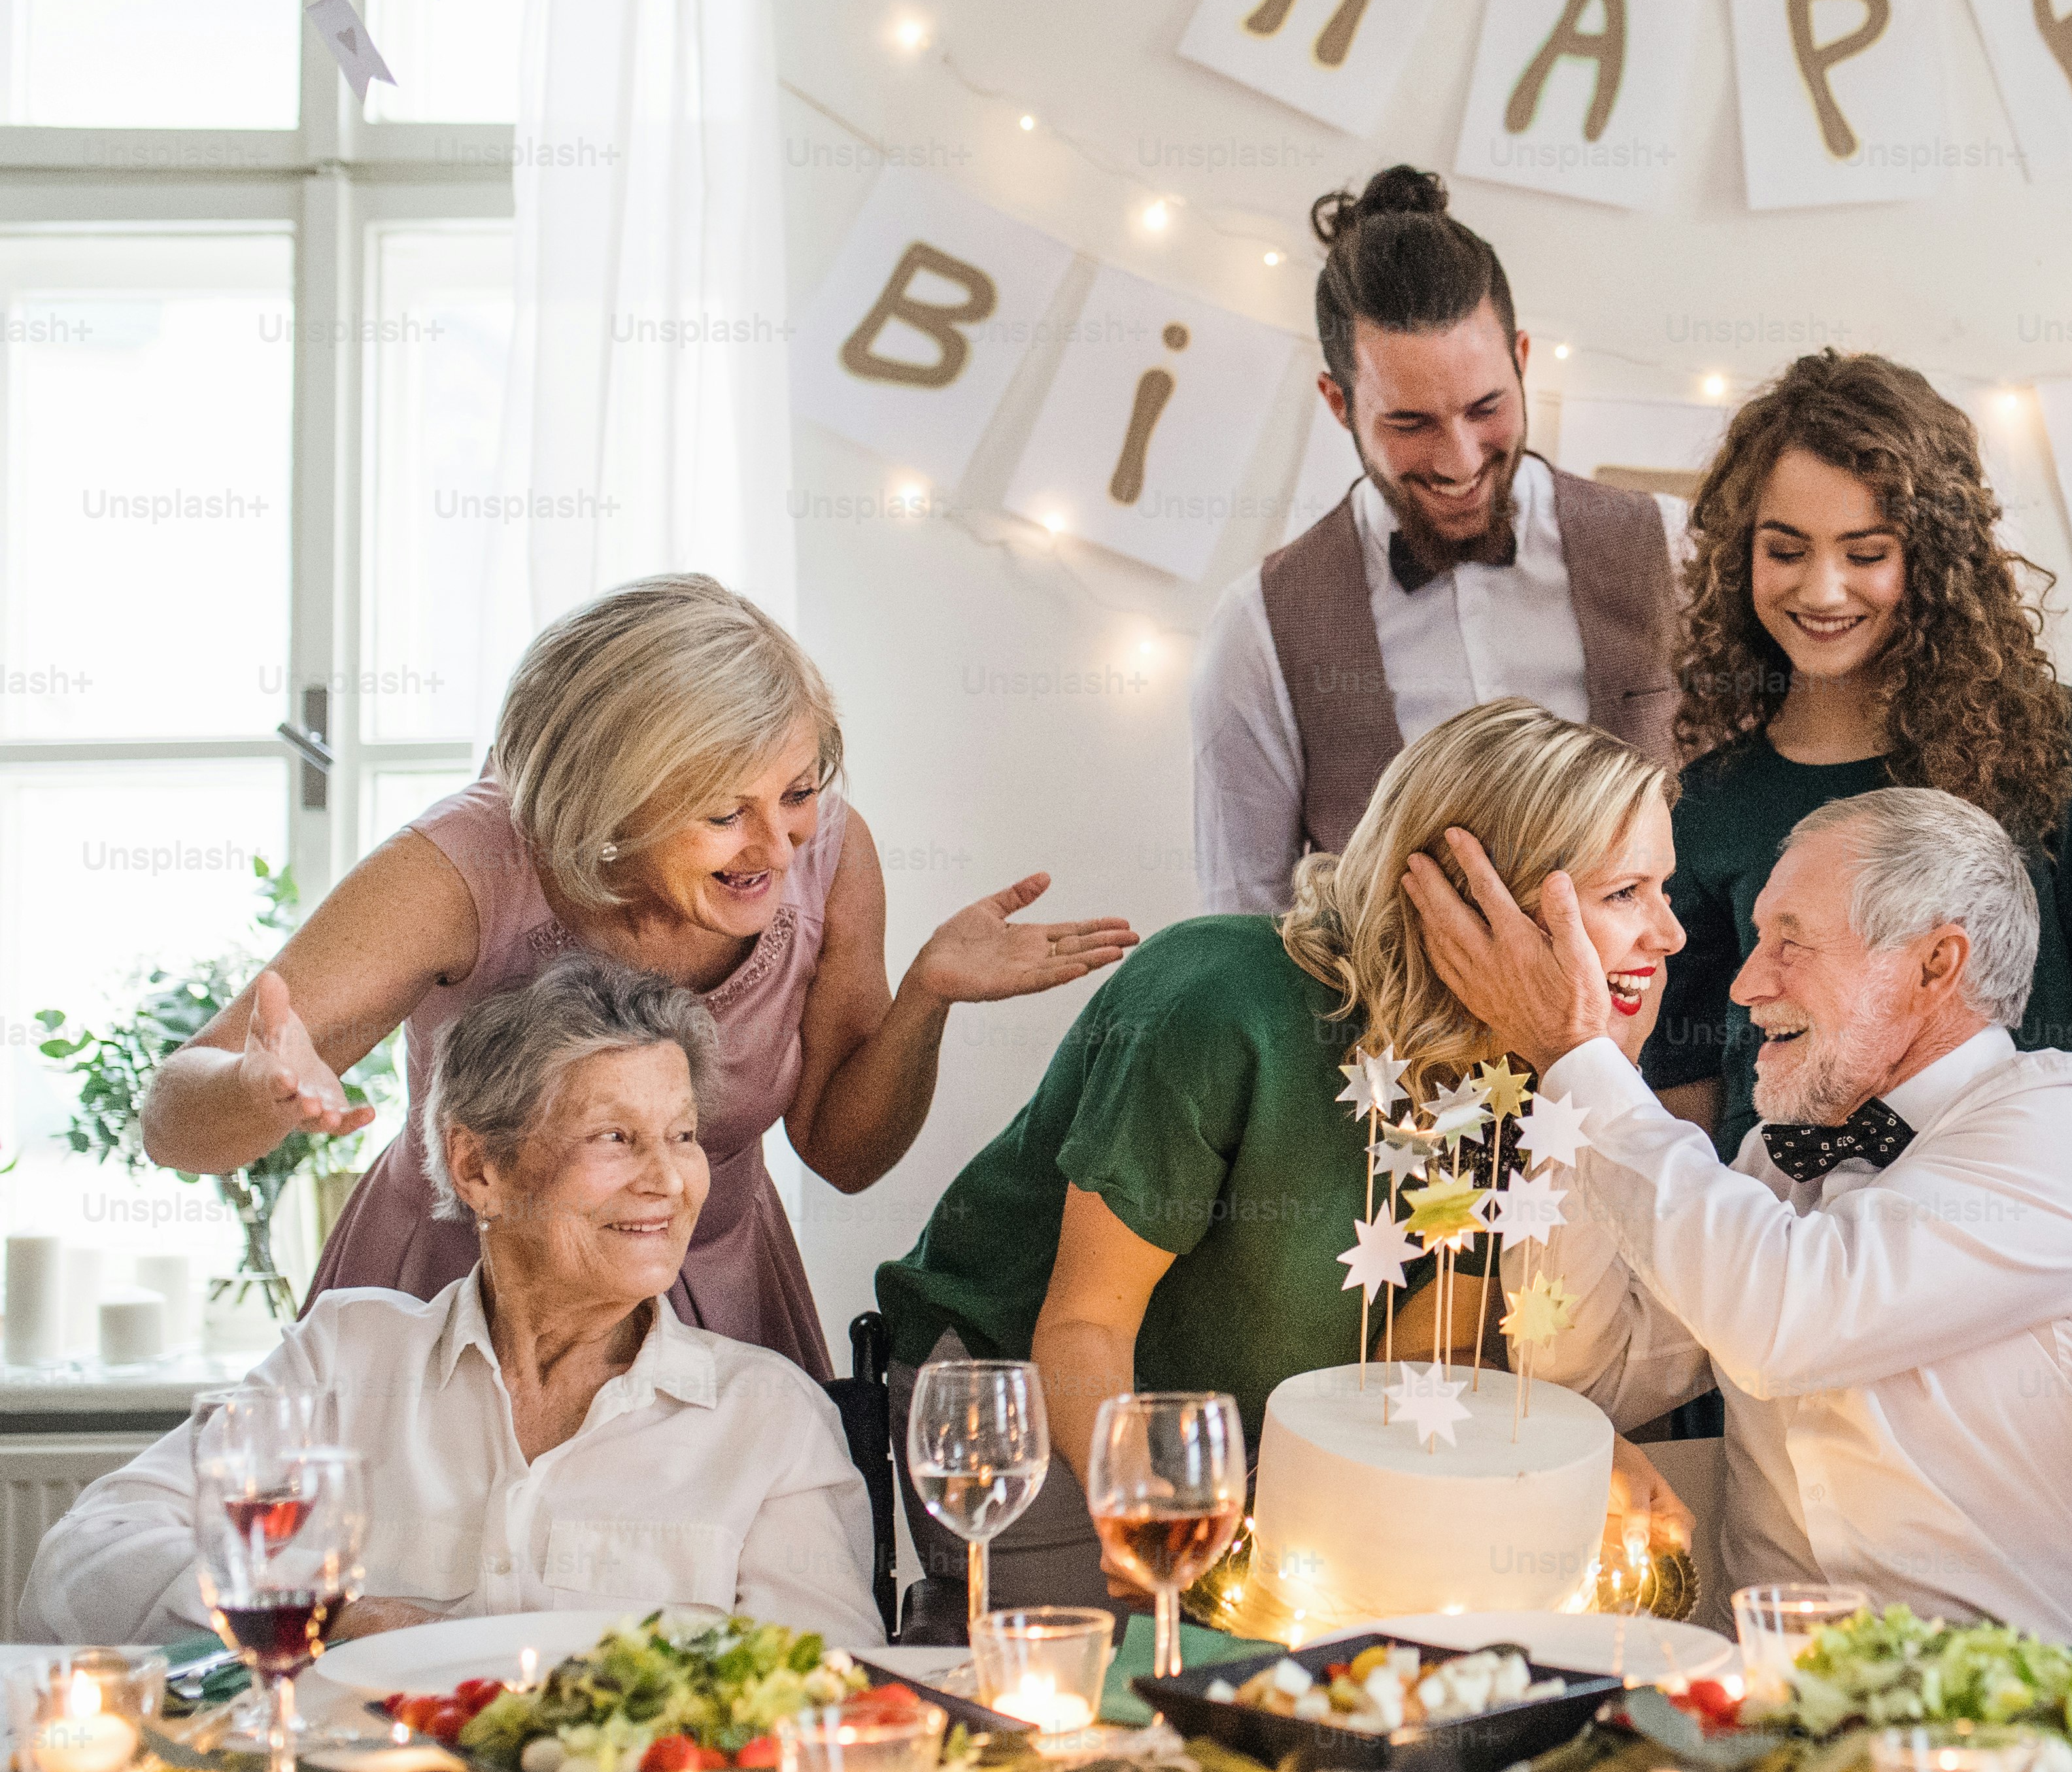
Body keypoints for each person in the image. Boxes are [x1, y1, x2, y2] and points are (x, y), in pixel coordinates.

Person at [137, 575, 1133, 1383]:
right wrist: (255, 1091)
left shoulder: (829, 851)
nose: (779, 849)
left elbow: (844, 1154)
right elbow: (173, 1119)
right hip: (459, 1307)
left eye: (796, 791)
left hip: (715, 1304)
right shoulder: (461, 868)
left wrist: (926, 999)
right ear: (606, 799)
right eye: (723, 814)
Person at [879, 699, 1693, 1623]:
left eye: (1663, 890)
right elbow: (1084, 1324)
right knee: (1106, 1678)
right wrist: (1145, 1508)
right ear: (1481, 899)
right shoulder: (1219, 1001)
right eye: (1625, 894)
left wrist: (1586, 1451)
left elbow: (1423, 1355)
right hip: (1022, 1397)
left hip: (1255, 1436)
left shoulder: (1520, 1081)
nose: (1669, 935)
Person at [1410, 787, 2072, 1644]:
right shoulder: (1776, 1159)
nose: (1746, 983)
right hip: (1775, 1697)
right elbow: (1593, 1375)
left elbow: (1788, 1320)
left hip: (2035, 1694)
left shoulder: (2071, 1123)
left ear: (1934, 966)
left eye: (1790, 944)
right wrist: (1594, 1073)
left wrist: (1579, 1059)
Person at [27, 958, 881, 1648]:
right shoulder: (346, 1357)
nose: (667, 1179)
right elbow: (84, 1562)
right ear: (478, 1168)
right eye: (614, 1137)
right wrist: (338, 1617)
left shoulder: (768, 1417)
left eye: (682, 1135)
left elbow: (830, 1689)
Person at [1648, 349, 2072, 1157]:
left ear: (1932, 559)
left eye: (1866, 554)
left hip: (2021, 1205)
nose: (1823, 590)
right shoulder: (1706, 805)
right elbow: (1685, 1103)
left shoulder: (2057, 745)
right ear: (1739, 554)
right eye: (1786, 551)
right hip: (1780, 1223)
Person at [1190, 165, 1682, 913]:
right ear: (1338, 403)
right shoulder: (1258, 629)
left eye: (1485, 408)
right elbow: (1242, 922)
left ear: (1522, 360)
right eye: (1410, 423)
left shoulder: (1669, 551)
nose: (1459, 460)